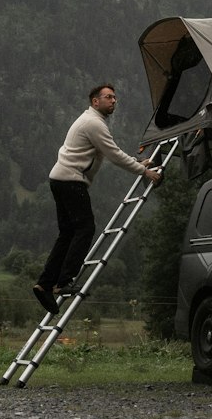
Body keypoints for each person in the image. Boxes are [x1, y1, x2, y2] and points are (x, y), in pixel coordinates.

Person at [33, 83, 161, 315]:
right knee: (85, 228)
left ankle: (44, 285)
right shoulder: (93, 123)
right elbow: (113, 153)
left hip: (60, 179)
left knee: (68, 233)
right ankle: (63, 282)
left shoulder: (90, 121)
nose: (114, 101)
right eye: (109, 97)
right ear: (95, 101)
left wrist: (136, 163)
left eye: (115, 98)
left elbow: (108, 152)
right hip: (71, 180)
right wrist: (144, 172)